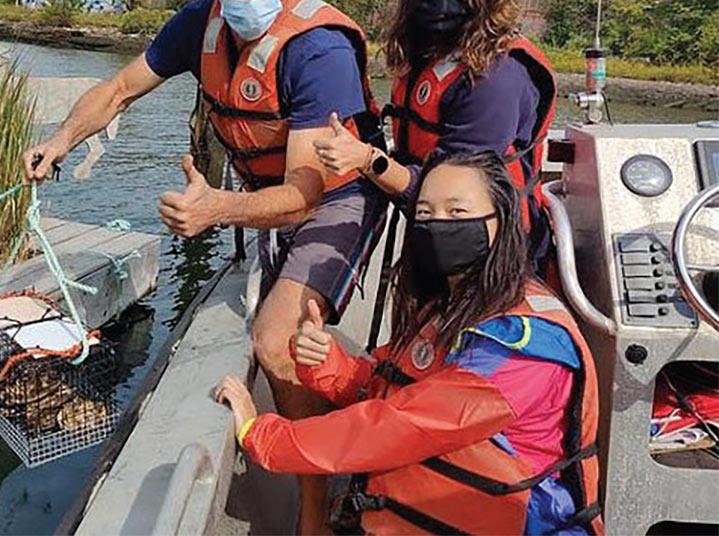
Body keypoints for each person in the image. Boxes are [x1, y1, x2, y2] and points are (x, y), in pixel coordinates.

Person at [23, 0, 384, 533]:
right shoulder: (199, 24)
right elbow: (116, 90)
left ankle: (314, 512)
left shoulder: (318, 49)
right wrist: (61, 141)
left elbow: (304, 194)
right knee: (286, 342)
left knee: (277, 341)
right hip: (259, 197)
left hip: (334, 198)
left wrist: (216, 208)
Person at [216, 150, 604, 536]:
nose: (438, 225)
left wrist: (262, 434)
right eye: (424, 214)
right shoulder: (450, 304)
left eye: (457, 213)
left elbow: (400, 425)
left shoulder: (527, 346)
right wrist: (327, 364)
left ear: (500, 222)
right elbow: (389, 385)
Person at [312, 0, 557, 276]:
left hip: (492, 253)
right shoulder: (427, 54)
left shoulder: (499, 76)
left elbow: (453, 191)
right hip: (430, 231)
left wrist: (365, 160)